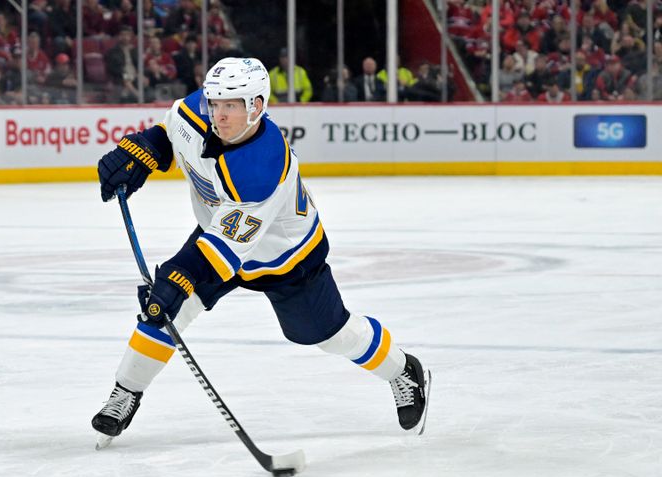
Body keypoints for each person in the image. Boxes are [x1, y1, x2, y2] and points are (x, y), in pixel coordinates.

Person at [91, 57, 431, 445]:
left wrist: (174, 276)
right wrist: (144, 150)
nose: (219, 114)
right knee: (164, 310)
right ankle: (126, 391)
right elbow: (169, 133)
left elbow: (221, 252)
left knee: (327, 334)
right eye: (215, 103)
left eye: (231, 106)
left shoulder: (262, 168)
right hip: (218, 230)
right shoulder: (194, 111)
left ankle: (402, 370)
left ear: (256, 105)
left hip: (286, 255)